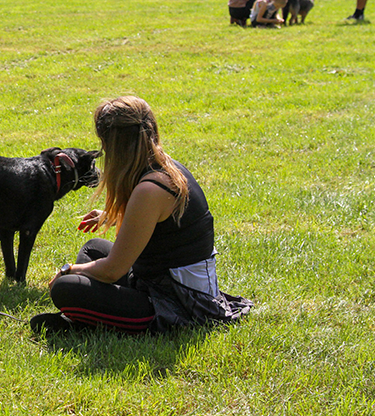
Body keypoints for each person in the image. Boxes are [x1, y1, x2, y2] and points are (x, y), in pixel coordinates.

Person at [31, 96, 252, 334]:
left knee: (66, 287)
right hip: (157, 281)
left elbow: (112, 270)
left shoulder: (150, 189)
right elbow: (162, 227)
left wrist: (68, 269)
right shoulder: (162, 167)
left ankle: (88, 322)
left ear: (114, 145)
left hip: (180, 305)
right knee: (93, 248)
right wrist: (112, 214)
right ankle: (92, 315)